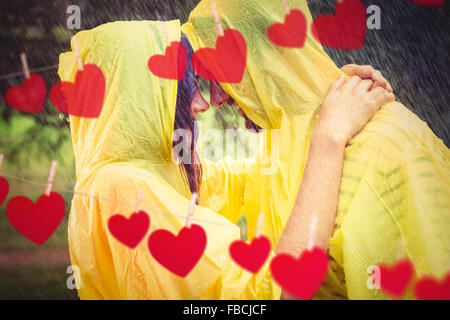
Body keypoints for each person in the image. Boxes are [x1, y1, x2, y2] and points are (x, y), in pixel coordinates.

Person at [59, 18, 393, 299]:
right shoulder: (126, 188)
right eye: (182, 89)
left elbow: (256, 178)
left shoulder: (146, 172)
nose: (202, 106)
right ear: (135, 98)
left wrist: (313, 97)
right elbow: (282, 290)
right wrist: (330, 136)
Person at [182, 0, 450, 299]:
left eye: (215, 75)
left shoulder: (389, 145)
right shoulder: (281, 140)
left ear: (267, 59)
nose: (208, 102)